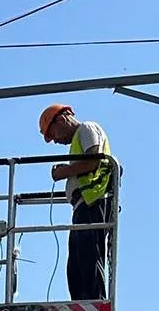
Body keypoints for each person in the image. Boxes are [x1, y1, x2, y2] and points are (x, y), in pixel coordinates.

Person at [38, 104, 114, 300]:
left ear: (61, 119)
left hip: (93, 201)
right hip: (85, 204)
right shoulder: (79, 138)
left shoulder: (87, 128)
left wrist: (64, 171)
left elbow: (93, 160)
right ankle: (82, 302)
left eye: (52, 133)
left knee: (89, 256)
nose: (55, 140)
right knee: (77, 264)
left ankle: (94, 302)